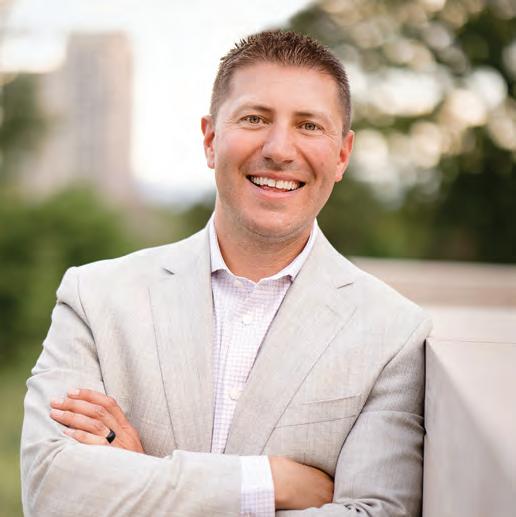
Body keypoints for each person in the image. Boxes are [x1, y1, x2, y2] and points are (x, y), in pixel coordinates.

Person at [21, 31, 432, 516]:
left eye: (309, 126)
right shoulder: (95, 297)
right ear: (211, 140)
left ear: (342, 155)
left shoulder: (393, 334)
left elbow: (376, 513)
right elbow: (51, 490)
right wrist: (269, 483)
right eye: (255, 118)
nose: (279, 149)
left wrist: (144, 475)